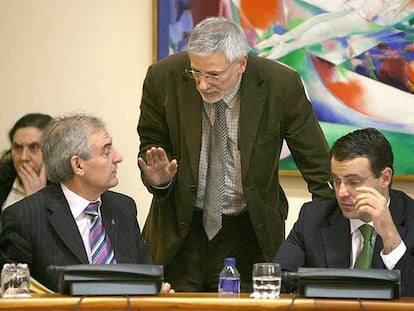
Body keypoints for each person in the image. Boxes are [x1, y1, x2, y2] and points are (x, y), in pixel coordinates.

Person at [137, 16, 334, 292]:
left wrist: (326, 241)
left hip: (251, 232)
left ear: (241, 63)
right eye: (196, 72)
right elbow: (151, 144)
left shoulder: (280, 86)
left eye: (214, 75)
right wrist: (159, 180)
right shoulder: (163, 78)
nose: (203, 84)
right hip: (180, 232)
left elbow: (319, 168)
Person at [0, 113, 173, 293]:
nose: (118, 157)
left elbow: (147, 276)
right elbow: (14, 295)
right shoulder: (25, 217)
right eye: (106, 151)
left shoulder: (123, 207)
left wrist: (156, 291)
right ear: (78, 165)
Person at [274, 127, 414, 296]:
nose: (341, 193)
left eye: (353, 182)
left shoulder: (410, 217)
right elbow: (276, 282)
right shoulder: (312, 218)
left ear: (385, 178)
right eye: (336, 181)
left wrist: (391, 238)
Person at [0, 113, 52, 211]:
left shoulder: (64, 190)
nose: (23, 157)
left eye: (34, 147)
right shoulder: (3, 182)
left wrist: (35, 199)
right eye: (18, 147)